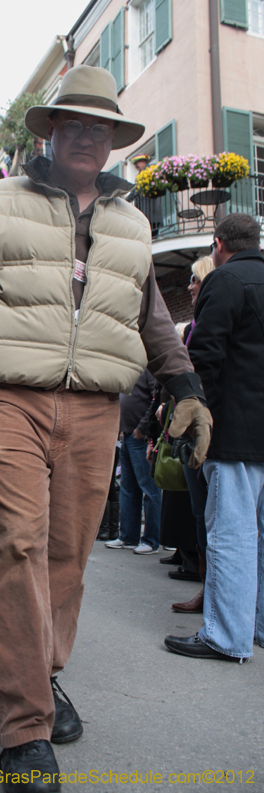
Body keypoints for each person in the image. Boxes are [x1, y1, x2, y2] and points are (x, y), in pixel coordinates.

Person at [0, 65, 211, 791]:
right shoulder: (1, 199)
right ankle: (23, 727)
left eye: (98, 127)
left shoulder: (133, 222)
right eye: (72, 123)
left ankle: (40, 676)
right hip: (6, 396)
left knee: (66, 557)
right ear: (51, 132)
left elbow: (151, 317)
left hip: (93, 406)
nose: (85, 135)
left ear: (110, 140)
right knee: (15, 542)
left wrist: (185, 385)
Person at [165, 213, 264, 662]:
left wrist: (189, 417)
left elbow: (203, 356)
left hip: (237, 430)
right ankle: (256, 626)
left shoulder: (226, 281)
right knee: (258, 536)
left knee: (232, 533)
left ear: (218, 243)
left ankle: (226, 635)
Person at [171, 255, 215, 613]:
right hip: (189, 430)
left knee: (215, 519)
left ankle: (216, 595)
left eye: (194, 280)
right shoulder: (193, 326)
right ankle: (207, 587)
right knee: (201, 515)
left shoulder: (210, 322)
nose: (189, 287)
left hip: (212, 431)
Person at [105, 370, 161, 553]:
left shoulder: (149, 368)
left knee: (150, 490)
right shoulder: (131, 366)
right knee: (128, 489)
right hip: (127, 435)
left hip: (140, 436)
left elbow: (156, 398)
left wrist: (143, 428)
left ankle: (151, 540)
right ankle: (128, 536)